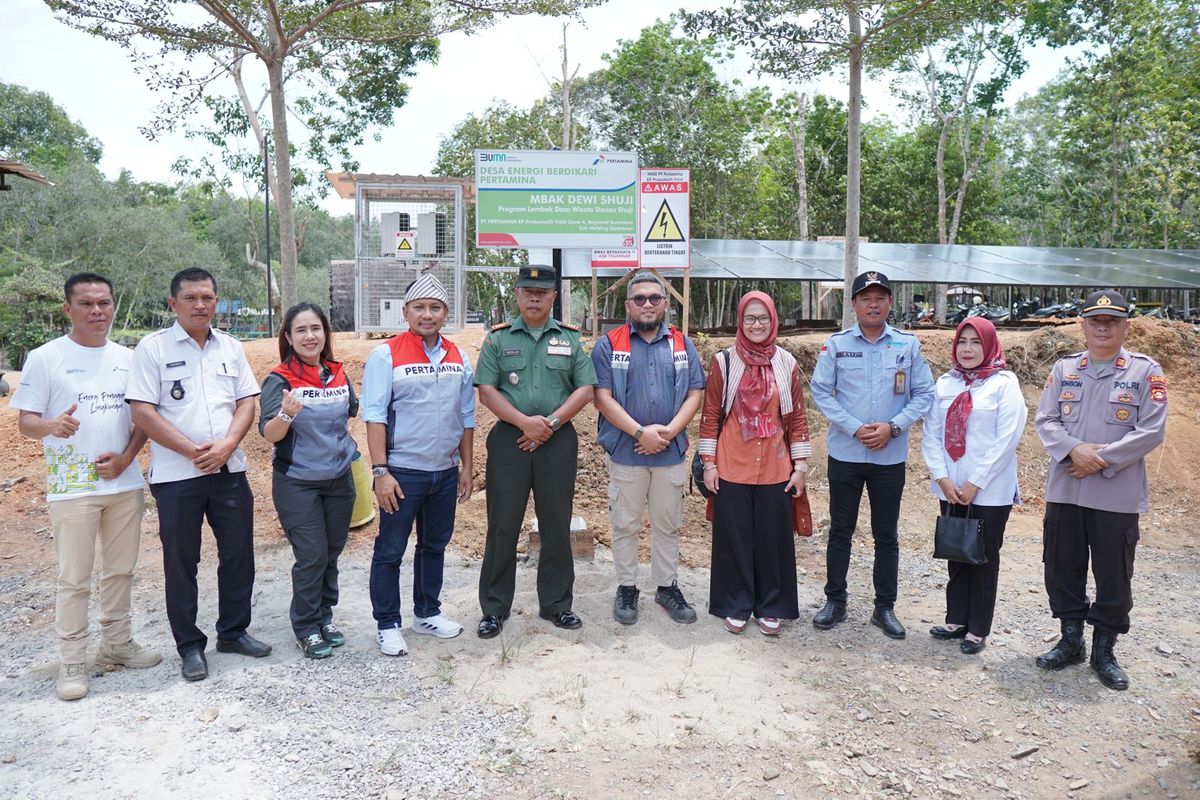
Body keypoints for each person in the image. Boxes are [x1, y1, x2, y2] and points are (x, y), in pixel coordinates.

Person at [12, 273, 161, 701]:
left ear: (114, 305)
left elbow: (143, 419)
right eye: (87, 304)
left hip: (124, 483)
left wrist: (128, 458)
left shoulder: (128, 358)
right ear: (68, 309)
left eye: (105, 303)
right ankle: (72, 659)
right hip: (71, 486)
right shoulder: (45, 357)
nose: (98, 311)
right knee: (74, 578)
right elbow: (26, 422)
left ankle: (116, 642)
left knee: (120, 570)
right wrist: (51, 425)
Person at [126, 268, 268, 682]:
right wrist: (191, 451)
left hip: (229, 470)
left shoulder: (230, 346)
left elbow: (246, 401)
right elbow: (142, 411)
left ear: (217, 300)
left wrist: (226, 446)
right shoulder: (152, 349)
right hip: (176, 475)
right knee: (181, 561)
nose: (200, 305)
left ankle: (233, 632)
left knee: (239, 553)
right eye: (190, 298)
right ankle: (189, 646)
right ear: (173, 304)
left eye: (207, 297)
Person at [1034, 290, 1166, 690]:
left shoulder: (1146, 371)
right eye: (1095, 320)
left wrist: (1099, 459)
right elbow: (1046, 420)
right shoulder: (1064, 370)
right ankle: (1070, 640)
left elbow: (1152, 430)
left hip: (1115, 493)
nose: (1103, 326)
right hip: (1066, 491)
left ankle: (1104, 651)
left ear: (1126, 325)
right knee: (1061, 566)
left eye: (1112, 320)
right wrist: (1075, 450)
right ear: (1083, 325)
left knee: (1114, 574)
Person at [809, 271, 934, 639]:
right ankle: (835, 600)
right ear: (854, 305)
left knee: (886, 534)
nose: (873, 304)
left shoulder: (907, 346)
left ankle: (884, 607)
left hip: (888, 456)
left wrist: (893, 427)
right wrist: (854, 427)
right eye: (866, 298)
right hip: (846, 453)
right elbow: (822, 391)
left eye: (880, 297)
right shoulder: (837, 345)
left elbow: (923, 394)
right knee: (840, 530)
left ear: (890, 303)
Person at [474, 264, 596, 638]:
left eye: (542, 292)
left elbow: (585, 389)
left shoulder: (570, 339)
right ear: (517, 294)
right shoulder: (497, 339)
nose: (534, 297)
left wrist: (550, 425)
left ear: (554, 297)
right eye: (528, 290)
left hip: (557, 442)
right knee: (502, 526)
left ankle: (557, 605)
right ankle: (494, 609)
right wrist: (526, 423)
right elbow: (487, 390)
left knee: (557, 524)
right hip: (510, 440)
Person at [361, 274, 475, 656]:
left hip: (443, 472)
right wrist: (380, 472)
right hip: (402, 471)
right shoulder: (386, 355)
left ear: (446, 313)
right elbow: (374, 416)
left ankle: (426, 613)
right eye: (420, 307)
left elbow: (467, 416)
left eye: (436, 307)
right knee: (391, 549)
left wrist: (466, 466)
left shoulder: (458, 355)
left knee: (434, 545)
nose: (427, 314)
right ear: (406, 311)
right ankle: (387, 622)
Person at [592, 271, 705, 625]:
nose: (647, 304)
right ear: (628, 305)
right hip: (627, 452)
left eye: (654, 298)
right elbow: (601, 397)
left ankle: (666, 586)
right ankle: (627, 586)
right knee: (624, 524)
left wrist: (669, 432)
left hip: (670, 452)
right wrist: (641, 433)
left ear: (665, 304)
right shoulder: (609, 344)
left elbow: (695, 393)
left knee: (667, 524)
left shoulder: (682, 345)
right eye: (639, 299)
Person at [698, 291, 812, 635]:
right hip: (732, 463)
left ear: (774, 320)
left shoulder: (786, 364)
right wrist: (709, 464)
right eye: (750, 318)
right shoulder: (725, 361)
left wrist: (801, 466)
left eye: (763, 318)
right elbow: (710, 415)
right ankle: (736, 603)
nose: (757, 325)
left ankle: (770, 606)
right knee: (734, 537)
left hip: (776, 467)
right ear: (740, 322)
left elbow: (798, 419)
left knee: (772, 539)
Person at [920, 318, 1027, 654]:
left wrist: (975, 482)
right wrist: (943, 477)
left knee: (982, 555)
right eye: (962, 342)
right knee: (957, 549)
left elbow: (1007, 438)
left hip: (990, 491)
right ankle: (956, 619)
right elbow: (931, 434)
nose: (967, 349)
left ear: (990, 345)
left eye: (976, 342)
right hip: (951, 487)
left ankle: (977, 628)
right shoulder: (945, 383)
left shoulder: (1004, 384)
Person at [260, 303, 359, 659]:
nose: (310, 336)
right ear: (288, 337)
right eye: (300, 330)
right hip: (297, 482)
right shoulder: (279, 379)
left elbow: (352, 410)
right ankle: (305, 626)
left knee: (331, 553)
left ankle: (324, 616)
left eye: (315, 328)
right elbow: (269, 434)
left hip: (339, 480)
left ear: (325, 334)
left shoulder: (337, 372)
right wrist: (286, 413)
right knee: (312, 555)